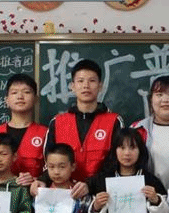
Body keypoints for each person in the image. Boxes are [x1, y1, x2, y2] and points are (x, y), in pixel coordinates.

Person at [44, 59, 122, 187]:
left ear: (100, 86)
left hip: (102, 192)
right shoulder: (58, 122)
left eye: (92, 81)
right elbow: (48, 161)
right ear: (72, 86)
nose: (86, 86)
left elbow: (116, 162)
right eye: (80, 81)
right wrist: (42, 180)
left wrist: (90, 185)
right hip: (65, 192)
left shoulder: (114, 121)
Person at [0, 73, 47, 187]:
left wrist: (38, 180)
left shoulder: (45, 133)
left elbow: (52, 167)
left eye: (26, 92)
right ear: (6, 100)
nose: (20, 96)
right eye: (14, 92)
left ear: (35, 99)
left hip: (31, 194)